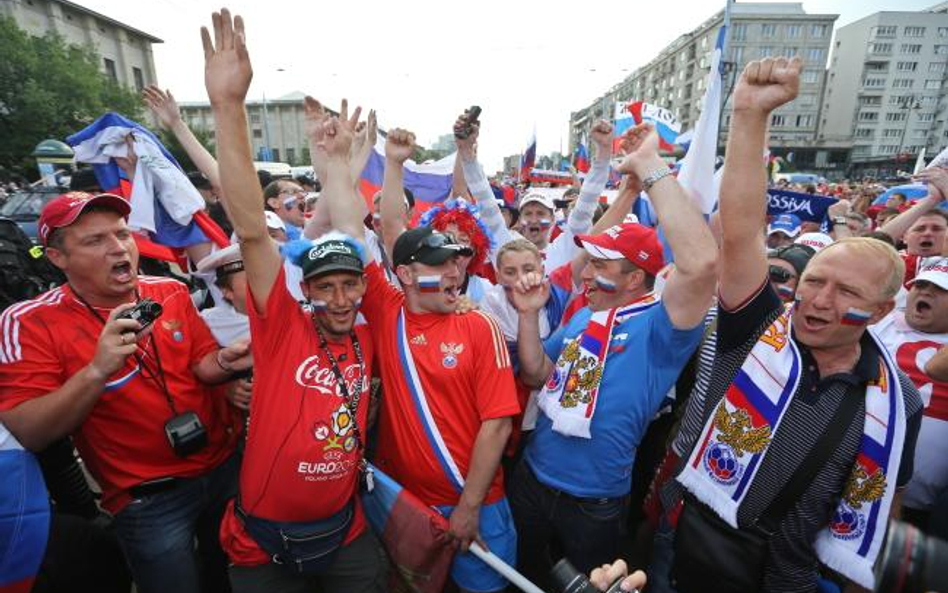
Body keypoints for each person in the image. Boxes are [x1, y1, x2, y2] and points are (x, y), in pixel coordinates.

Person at [656, 56, 923, 593]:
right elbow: (741, 232)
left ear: (879, 313)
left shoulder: (900, 403)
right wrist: (751, 116)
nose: (818, 300)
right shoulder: (757, 333)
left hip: (789, 580)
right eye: (816, 280)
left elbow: (884, 498)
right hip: (688, 553)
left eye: (846, 292)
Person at [199, 11, 387, 591]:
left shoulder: (372, 327)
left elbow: (356, 230)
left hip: (344, 531)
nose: (338, 298)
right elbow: (253, 229)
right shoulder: (281, 326)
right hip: (263, 543)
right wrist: (229, 106)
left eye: (349, 284)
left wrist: (339, 169)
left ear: (364, 285)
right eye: (324, 286)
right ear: (302, 290)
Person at [0, 191, 251, 593]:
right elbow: (31, 432)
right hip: (149, 500)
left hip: (224, 469)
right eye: (95, 240)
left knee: (231, 576)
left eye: (122, 234)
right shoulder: (29, 322)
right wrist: (97, 370)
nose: (118, 248)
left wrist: (227, 362)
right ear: (57, 258)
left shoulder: (168, 291)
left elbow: (202, 361)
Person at [316, 106, 521, 593]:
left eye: (456, 263)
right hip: (405, 500)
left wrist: (469, 507)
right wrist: (362, 161)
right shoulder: (388, 310)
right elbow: (356, 224)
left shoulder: (479, 326)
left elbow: (496, 425)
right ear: (406, 274)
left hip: (476, 504)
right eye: (438, 265)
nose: (453, 273)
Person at [508, 122, 718, 585]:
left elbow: (702, 264)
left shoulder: (661, 328)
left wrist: (649, 166)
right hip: (531, 480)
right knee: (523, 578)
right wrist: (527, 315)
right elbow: (536, 373)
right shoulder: (585, 317)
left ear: (636, 279)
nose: (586, 275)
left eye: (600, 266)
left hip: (593, 503)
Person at [872, 257, 948, 532]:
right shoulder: (882, 323)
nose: (925, 292)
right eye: (921, 285)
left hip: (922, 511)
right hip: (850, 483)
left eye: (940, 289)